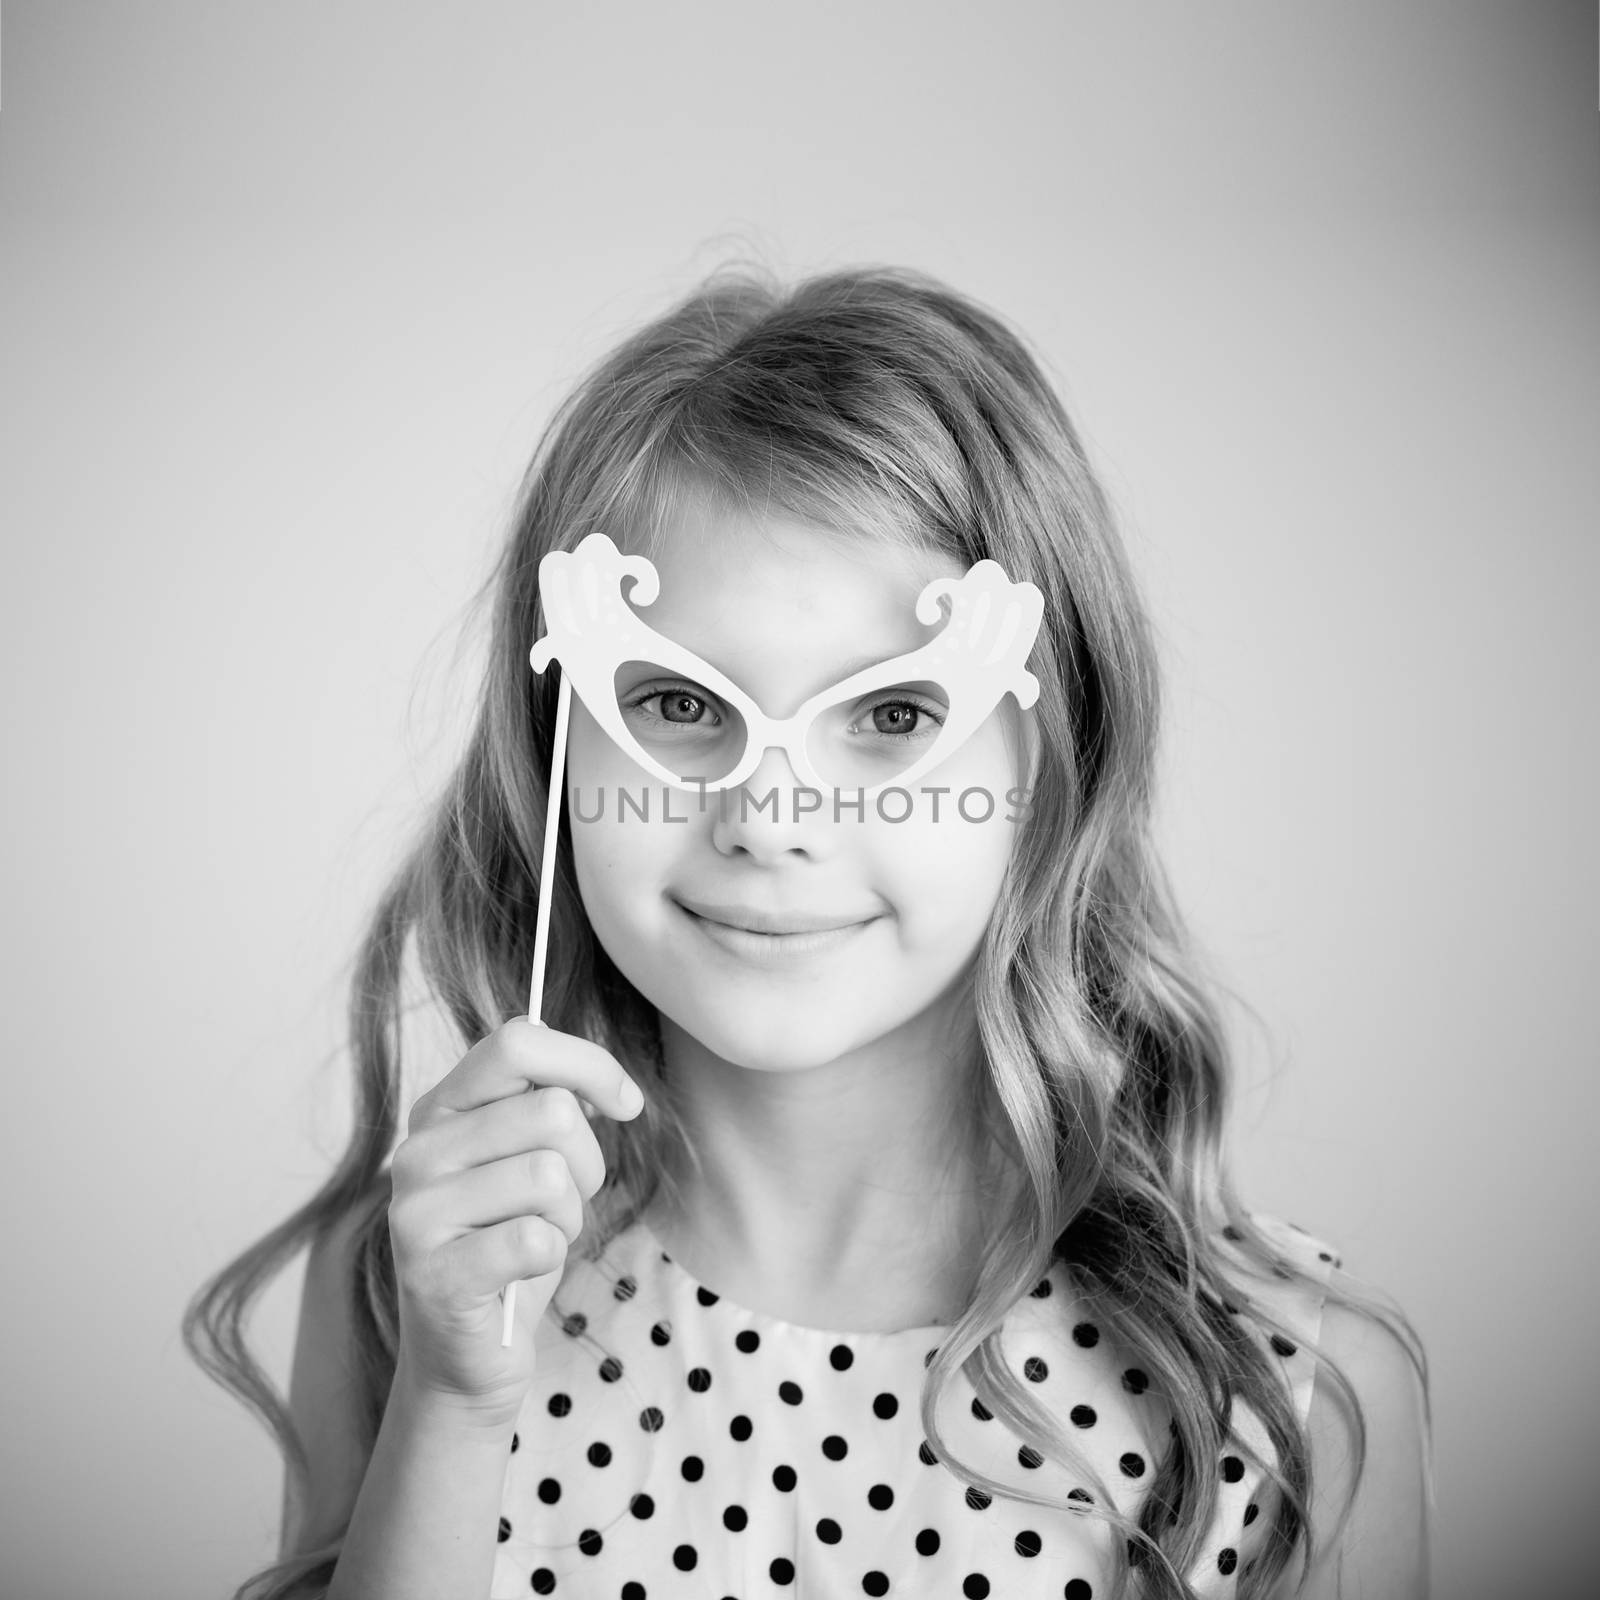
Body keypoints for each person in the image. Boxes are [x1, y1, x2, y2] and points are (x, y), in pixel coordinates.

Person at [185, 262, 1432, 1600]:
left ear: (1052, 761)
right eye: (674, 703)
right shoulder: (421, 1283)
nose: (767, 816)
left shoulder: (1286, 1388)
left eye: (895, 718)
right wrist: (453, 1406)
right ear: (556, 744)